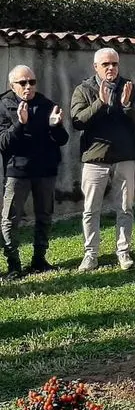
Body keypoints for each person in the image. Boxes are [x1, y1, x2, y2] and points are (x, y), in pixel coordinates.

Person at [71, 48, 135, 272]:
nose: (111, 68)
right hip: (95, 159)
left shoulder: (130, 88)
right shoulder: (83, 90)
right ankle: (90, 254)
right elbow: (77, 121)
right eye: (105, 64)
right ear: (96, 67)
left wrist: (126, 107)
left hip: (124, 158)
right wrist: (100, 103)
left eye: (114, 64)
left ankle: (123, 252)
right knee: (91, 210)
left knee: (125, 208)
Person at [0, 65, 69, 278]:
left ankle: (39, 259)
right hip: (17, 171)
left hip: (45, 170)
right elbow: (3, 143)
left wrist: (56, 126)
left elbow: (62, 140)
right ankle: (13, 263)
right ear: (12, 86)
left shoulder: (46, 104)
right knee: (10, 218)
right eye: (23, 83)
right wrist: (20, 124)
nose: (28, 86)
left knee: (45, 215)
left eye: (32, 82)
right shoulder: (3, 106)